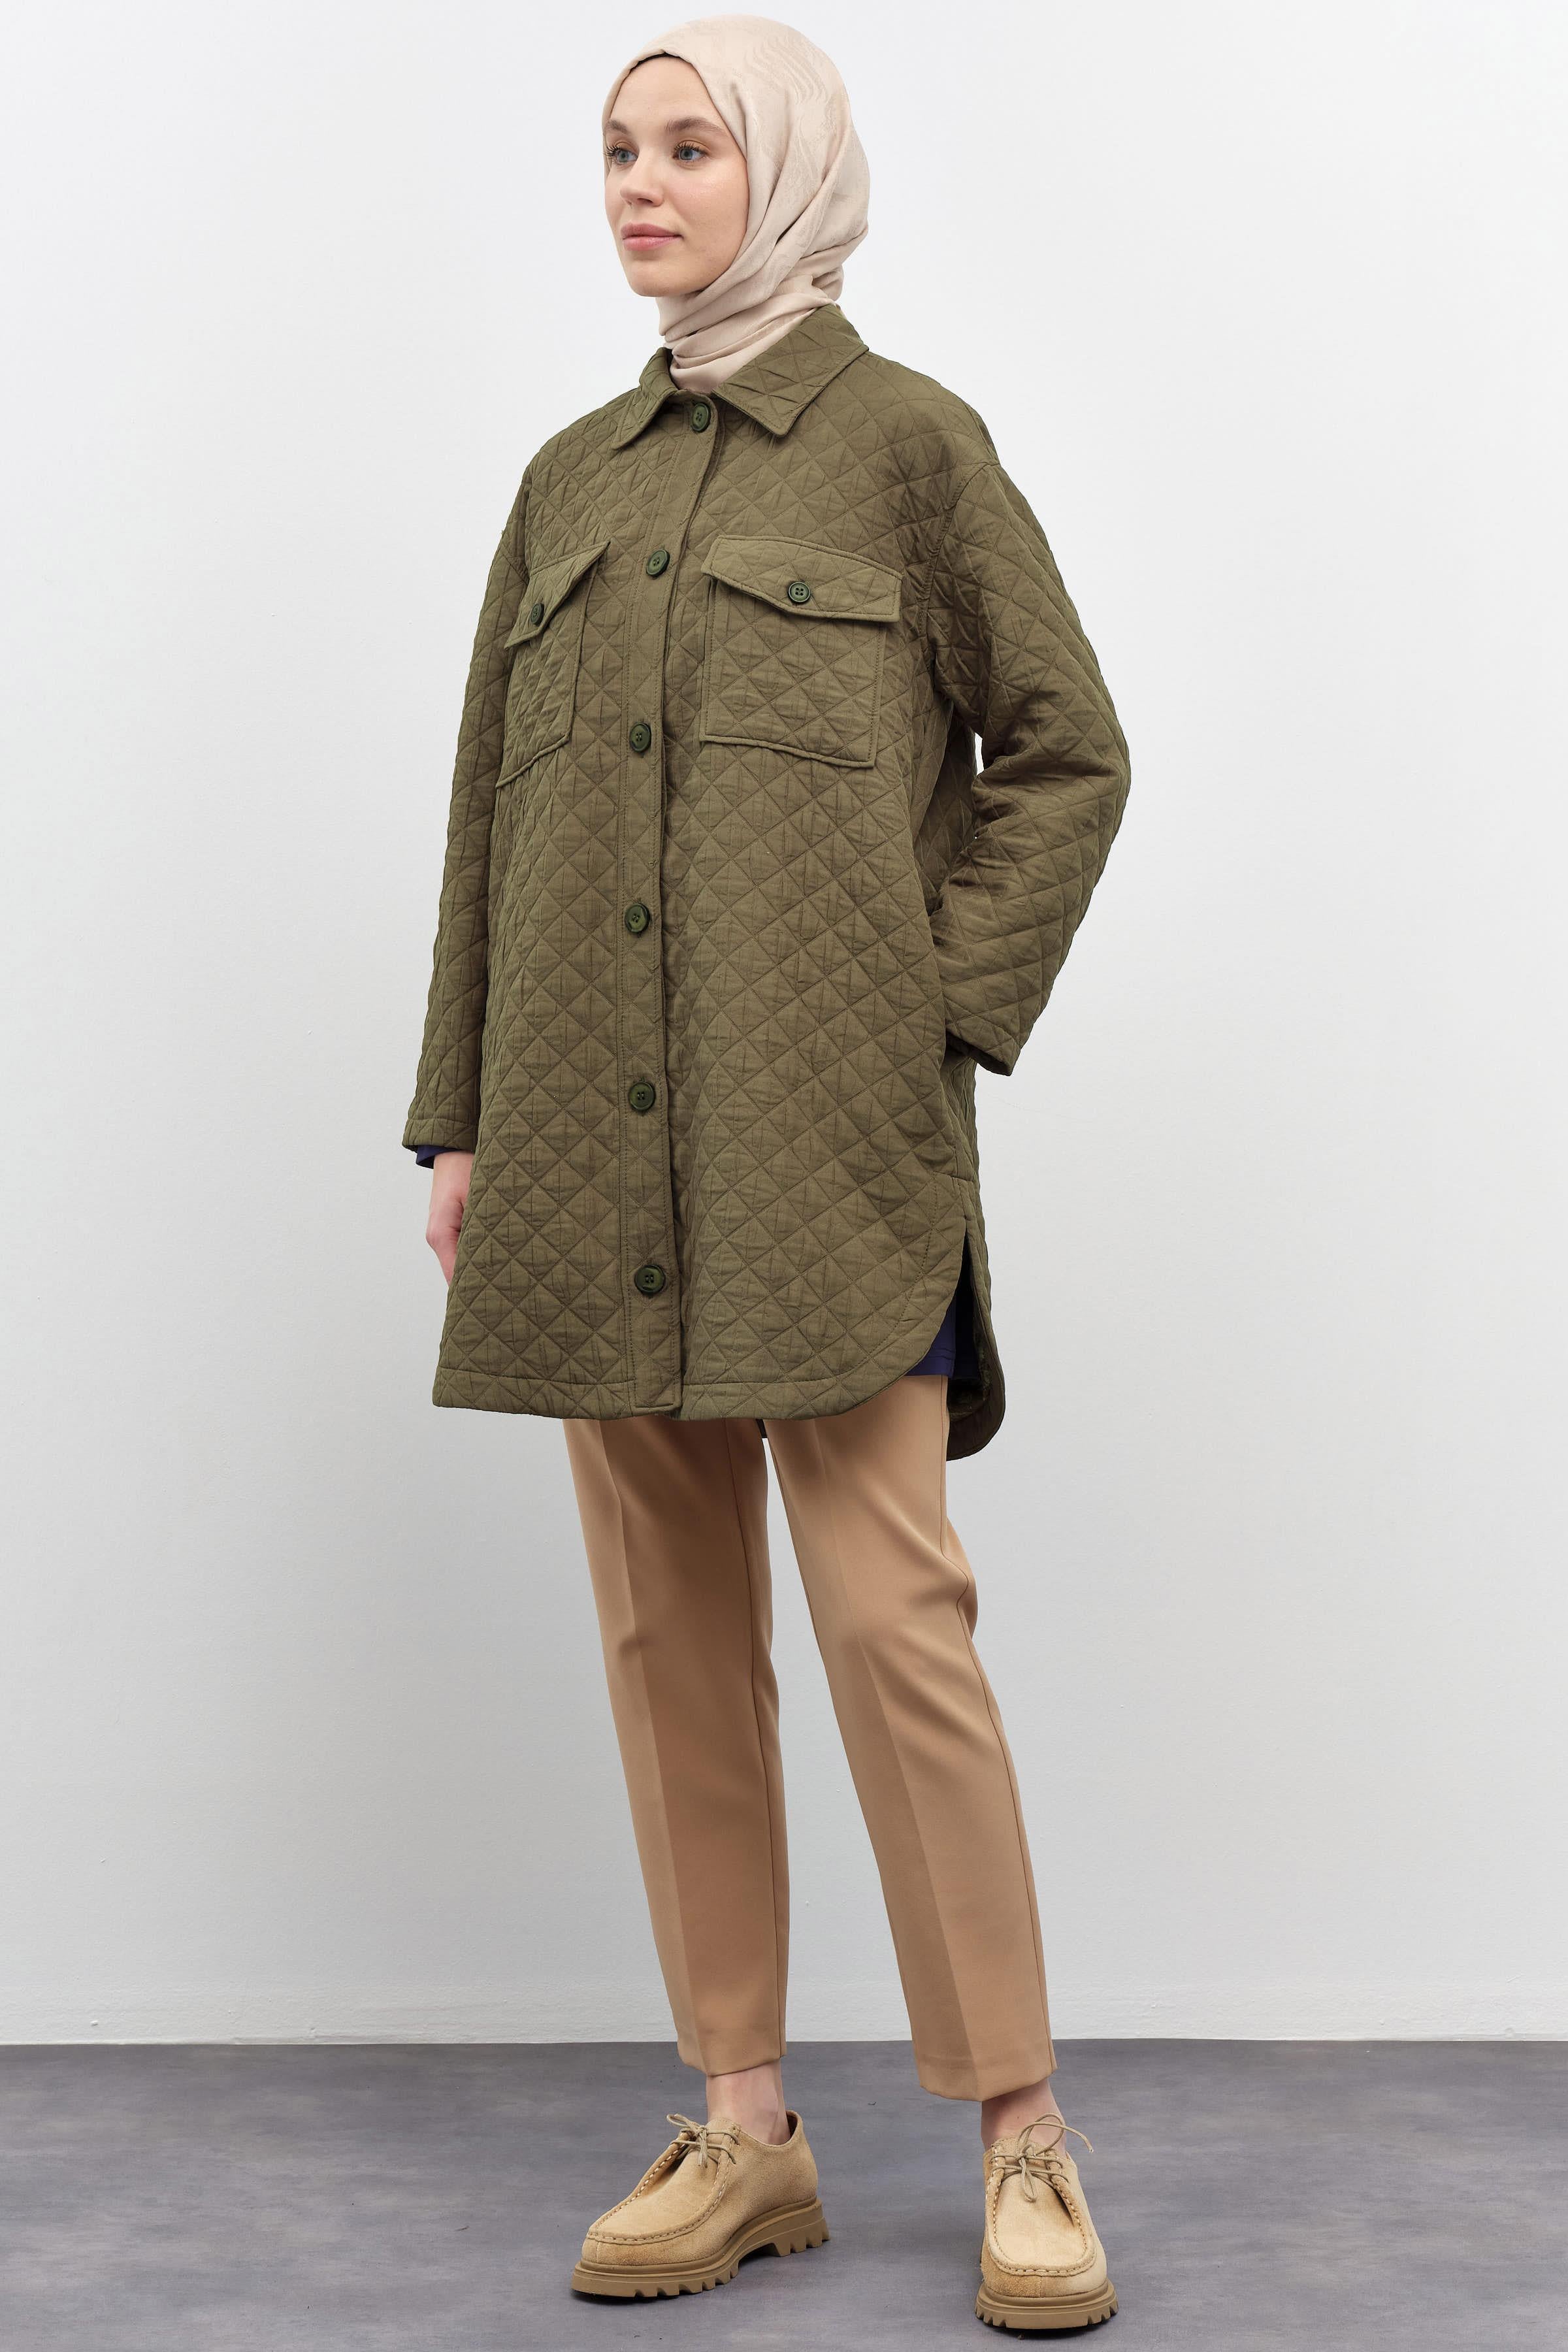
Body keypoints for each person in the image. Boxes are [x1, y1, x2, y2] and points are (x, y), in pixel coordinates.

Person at [403, 14, 1130, 2331]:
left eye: (689, 145)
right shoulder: (569, 483)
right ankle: (746, 2125)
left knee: (897, 1628)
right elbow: (485, 819)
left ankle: (1021, 2131)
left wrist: (929, 1009)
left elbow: (1070, 753)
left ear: (786, 171)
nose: (641, 183)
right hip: (584, 1155)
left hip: (832, 1158)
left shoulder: (910, 450)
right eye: (618, 148)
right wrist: (461, 1115)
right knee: (669, 1640)